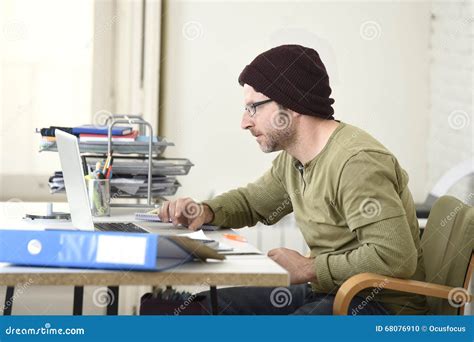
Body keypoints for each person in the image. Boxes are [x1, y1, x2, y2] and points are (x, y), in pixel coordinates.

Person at [157, 44, 428, 315]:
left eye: (254, 108)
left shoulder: (356, 162)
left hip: (378, 306)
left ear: (292, 105)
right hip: (329, 291)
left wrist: (308, 268)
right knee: (199, 310)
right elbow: (253, 202)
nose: (244, 122)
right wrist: (203, 211)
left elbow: (395, 256)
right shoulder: (295, 159)